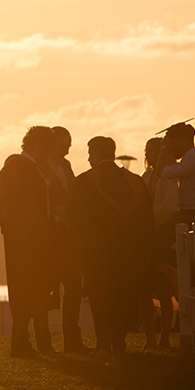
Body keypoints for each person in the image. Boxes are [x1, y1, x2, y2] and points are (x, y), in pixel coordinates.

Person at [68, 137, 153, 354]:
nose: (88, 159)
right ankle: (119, 340)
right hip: (129, 252)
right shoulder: (135, 182)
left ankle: (104, 342)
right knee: (124, 296)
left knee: (100, 297)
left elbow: (75, 220)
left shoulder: (84, 182)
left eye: (89, 154)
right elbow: (147, 220)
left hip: (96, 252)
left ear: (96, 153)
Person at [0, 126, 59, 357]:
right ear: (36, 145)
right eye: (46, 149)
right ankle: (23, 343)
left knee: (36, 290)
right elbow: (8, 205)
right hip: (27, 241)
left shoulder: (28, 167)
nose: (48, 154)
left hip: (30, 239)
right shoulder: (20, 167)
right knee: (27, 290)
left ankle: (38, 341)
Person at [49, 126, 89, 353]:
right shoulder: (40, 168)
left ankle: (72, 340)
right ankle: (46, 342)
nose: (67, 152)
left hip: (69, 236)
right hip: (51, 236)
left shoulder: (66, 166)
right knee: (48, 289)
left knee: (74, 287)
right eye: (64, 146)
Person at [139, 137, 178, 349]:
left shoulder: (168, 178)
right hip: (146, 238)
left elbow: (167, 207)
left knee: (164, 290)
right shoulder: (145, 177)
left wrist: (148, 222)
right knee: (145, 289)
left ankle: (164, 338)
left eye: (152, 151)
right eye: (146, 151)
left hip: (161, 237)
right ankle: (150, 338)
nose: (148, 155)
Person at [158, 121, 195, 227]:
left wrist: (164, 148)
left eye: (172, 143)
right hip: (191, 217)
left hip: (190, 218)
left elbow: (161, 171)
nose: (171, 148)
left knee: (157, 239)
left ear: (181, 141)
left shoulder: (192, 160)